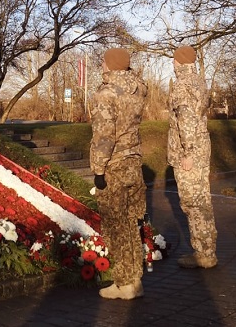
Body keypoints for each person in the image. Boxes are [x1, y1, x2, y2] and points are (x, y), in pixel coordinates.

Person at [90, 47, 148, 300]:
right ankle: (135, 280)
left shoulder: (107, 93)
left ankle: (124, 283)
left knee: (115, 225)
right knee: (131, 223)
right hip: (134, 162)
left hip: (114, 164)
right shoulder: (138, 89)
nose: (102, 65)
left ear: (110, 64)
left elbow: (104, 135)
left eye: (104, 62)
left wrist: (98, 169)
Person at [167, 44, 217, 269]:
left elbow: (186, 119)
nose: (172, 63)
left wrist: (187, 152)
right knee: (203, 202)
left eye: (174, 59)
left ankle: (203, 254)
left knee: (193, 204)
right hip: (202, 149)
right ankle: (208, 251)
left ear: (178, 61)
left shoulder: (182, 85)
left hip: (189, 153)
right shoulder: (198, 81)